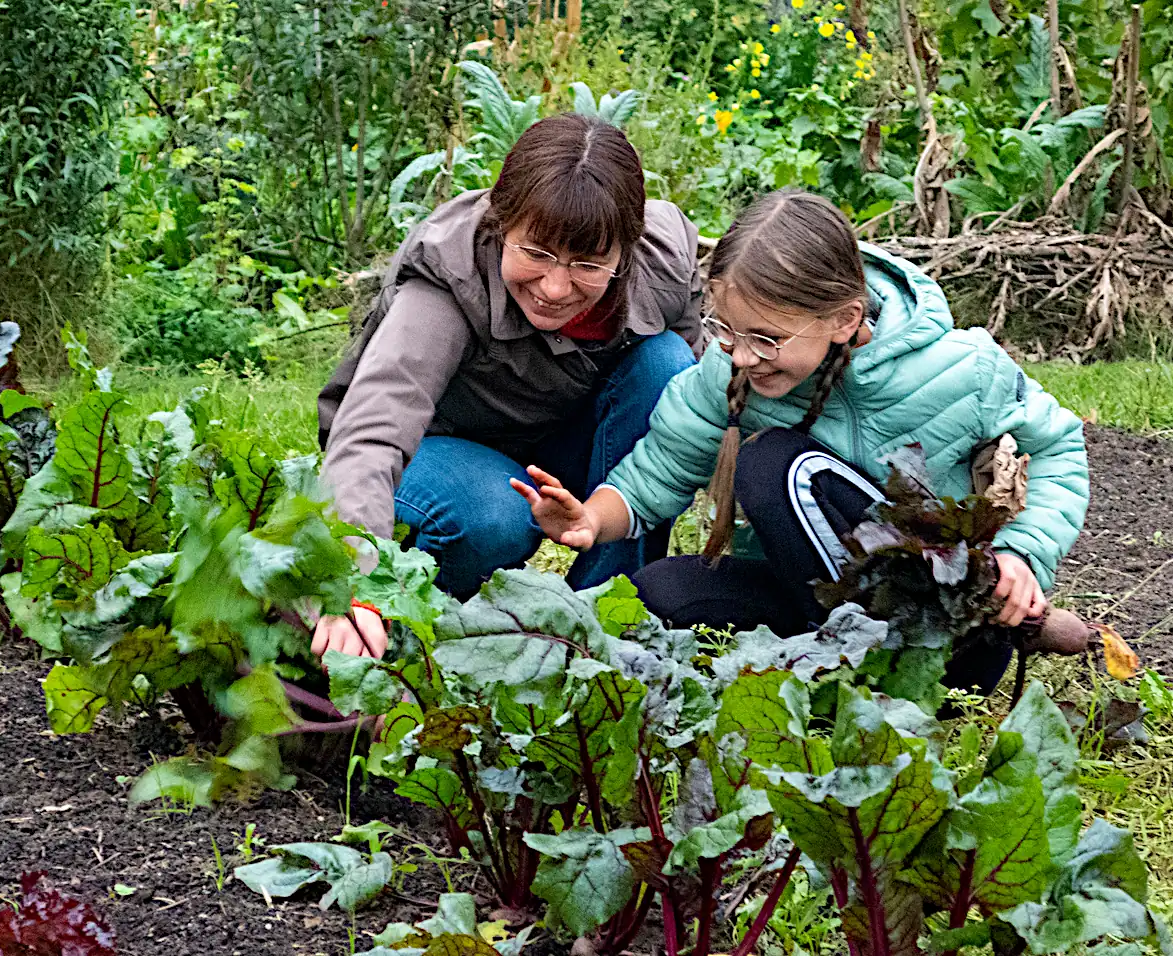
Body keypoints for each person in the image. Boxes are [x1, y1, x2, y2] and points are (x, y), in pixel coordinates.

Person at [509, 189, 1090, 692]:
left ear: (843, 319)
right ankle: (828, 663)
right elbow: (657, 472)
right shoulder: (730, 372)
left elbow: (1060, 450)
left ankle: (900, 664)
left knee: (774, 467)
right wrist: (589, 519)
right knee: (657, 592)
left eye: (765, 337)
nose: (740, 354)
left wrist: (1023, 553)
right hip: (811, 597)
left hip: (947, 638)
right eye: (726, 330)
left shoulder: (962, 369)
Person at [310, 113, 708, 662]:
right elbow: (371, 433)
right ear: (502, 222)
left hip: (554, 442)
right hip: (434, 456)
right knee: (497, 514)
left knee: (667, 365)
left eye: (588, 264)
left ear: (626, 252)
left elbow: (692, 412)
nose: (554, 287)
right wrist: (353, 583)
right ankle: (439, 634)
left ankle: (600, 626)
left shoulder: (663, 264)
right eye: (535, 253)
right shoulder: (449, 280)